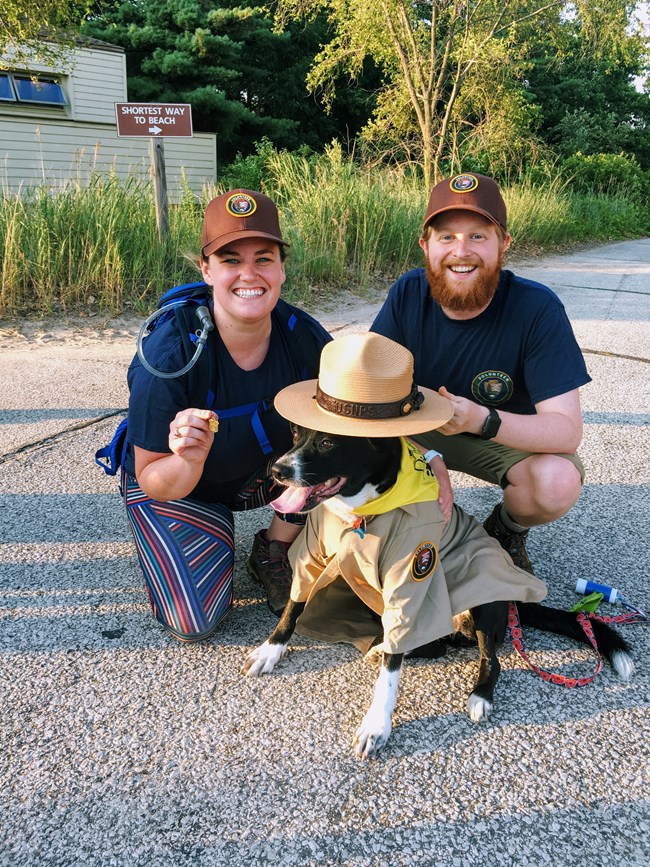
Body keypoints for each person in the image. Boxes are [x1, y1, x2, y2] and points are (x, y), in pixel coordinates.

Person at [121, 189, 331, 640]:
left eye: (264, 258)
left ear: (281, 268)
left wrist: (428, 457)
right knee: (193, 621)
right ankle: (210, 525)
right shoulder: (171, 351)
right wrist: (187, 459)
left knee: (340, 448)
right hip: (176, 486)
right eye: (231, 260)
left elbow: (356, 418)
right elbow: (152, 476)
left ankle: (275, 545)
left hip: (261, 474)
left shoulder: (305, 337)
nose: (249, 274)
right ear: (206, 269)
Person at [371, 172, 591, 573]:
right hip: (415, 427)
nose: (461, 250)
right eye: (447, 237)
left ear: (503, 244)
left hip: (489, 432)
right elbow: (372, 392)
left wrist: (482, 419)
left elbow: (565, 430)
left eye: (478, 236)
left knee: (555, 482)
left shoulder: (537, 309)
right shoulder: (407, 293)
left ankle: (504, 530)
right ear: (426, 246)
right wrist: (429, 457)